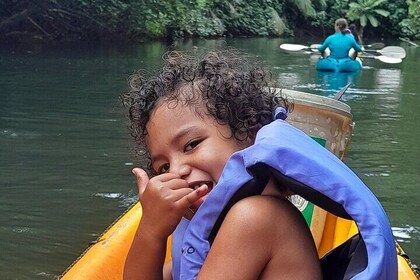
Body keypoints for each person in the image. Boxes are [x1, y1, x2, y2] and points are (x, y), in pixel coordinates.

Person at [122, 49, 322, 279]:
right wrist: (152, 230)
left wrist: (150, 233)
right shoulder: (213, 228)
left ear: (249, 133)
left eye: (191, 144)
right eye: (163, 168)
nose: (176, 171)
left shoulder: (254, 217)